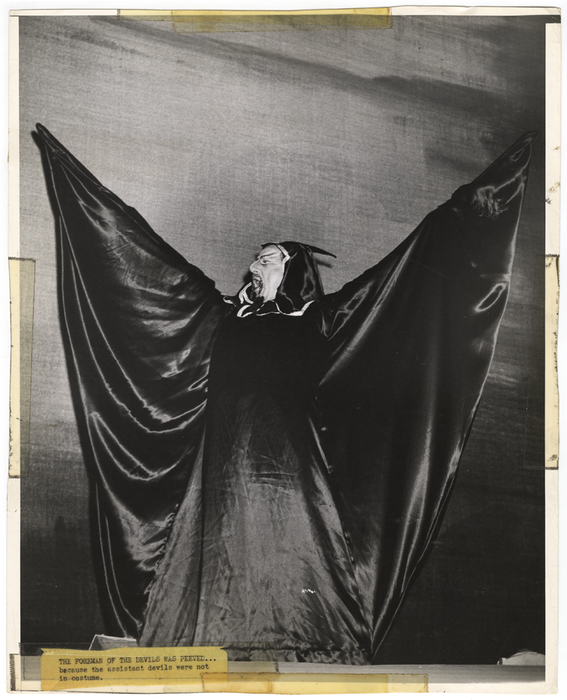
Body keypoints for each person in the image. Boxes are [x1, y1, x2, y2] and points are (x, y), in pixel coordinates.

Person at [36, 125, 535, 663]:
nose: (255, 265)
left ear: (294, 270)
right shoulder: (220, 317)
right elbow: (149, 262)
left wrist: (474, 206)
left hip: (295, 475)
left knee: (293, 558)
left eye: (268, 258)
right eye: (256, 259)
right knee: (224, 552)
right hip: (224, 471)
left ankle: (309, 646)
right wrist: (87, 198)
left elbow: (403, 275)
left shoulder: (322, 322)